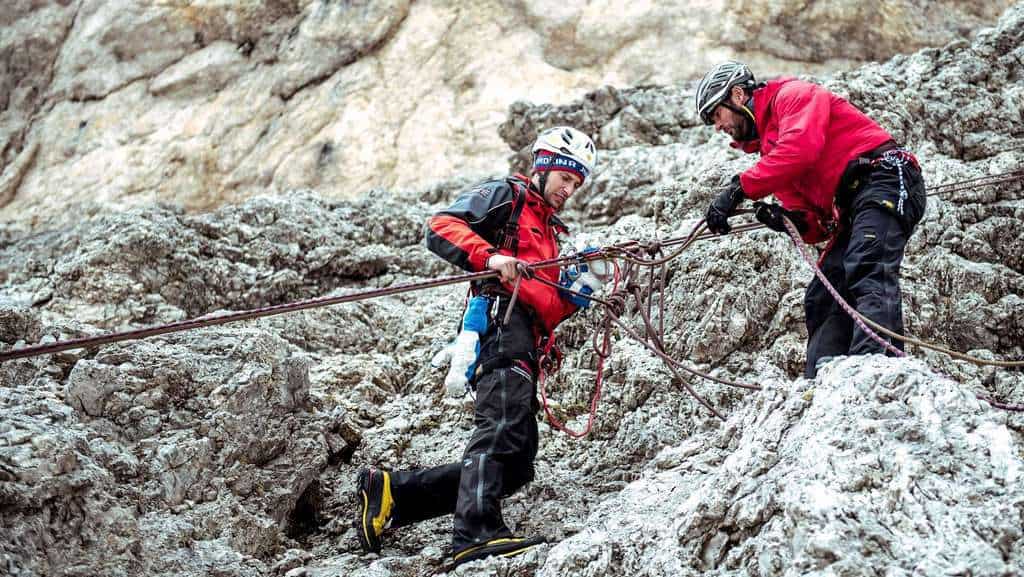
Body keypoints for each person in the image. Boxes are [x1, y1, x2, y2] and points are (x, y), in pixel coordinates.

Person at [355, 127, 602, 567]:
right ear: (543, 168)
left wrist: (572, 298)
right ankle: (474, 532)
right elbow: (440, 225)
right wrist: (489, 257)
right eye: (566, 177)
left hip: (524, 338)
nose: (570, 189)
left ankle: (394, 492)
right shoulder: (507, 196)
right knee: (500, 427)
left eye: (577, 183)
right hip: (498, 326)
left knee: (517, 464)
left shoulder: (549, 232)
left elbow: (540, 300)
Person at [696, 60, 927, 378]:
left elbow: (801, 149)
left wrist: (739, 189)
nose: (718, 127)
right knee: (822, 296)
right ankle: (821, 384)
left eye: (716, 115)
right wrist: (788, 221)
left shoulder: (792, 96)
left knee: (866, 267)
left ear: (737, 95)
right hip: (853, 207)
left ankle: (873, 373)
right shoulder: (771, 153)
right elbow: (816, 226)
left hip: (885, 175)